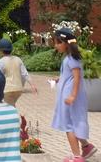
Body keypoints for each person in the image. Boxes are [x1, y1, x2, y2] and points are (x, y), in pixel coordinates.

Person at [52, 27, 96, 161]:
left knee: (69, 125)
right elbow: (71, 75)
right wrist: (60, 79)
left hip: (70, 97)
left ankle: (77, 157)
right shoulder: (70, 58)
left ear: (66, 43)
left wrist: (72, 96)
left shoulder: (72, 58)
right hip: (70, 96)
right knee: (74, 122)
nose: (56, 45)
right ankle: (86, 147)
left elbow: (77, 78)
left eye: (58, 42)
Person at [0, 38, 36, 108]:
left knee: (7, 107)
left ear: (1, 51)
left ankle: (12, 117)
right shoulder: (18, 59)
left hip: (7, 89)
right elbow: (24, 74)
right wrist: (32, 85)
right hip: (18, 89)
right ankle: (14, 116)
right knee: (11, 105)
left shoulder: (1, 61)